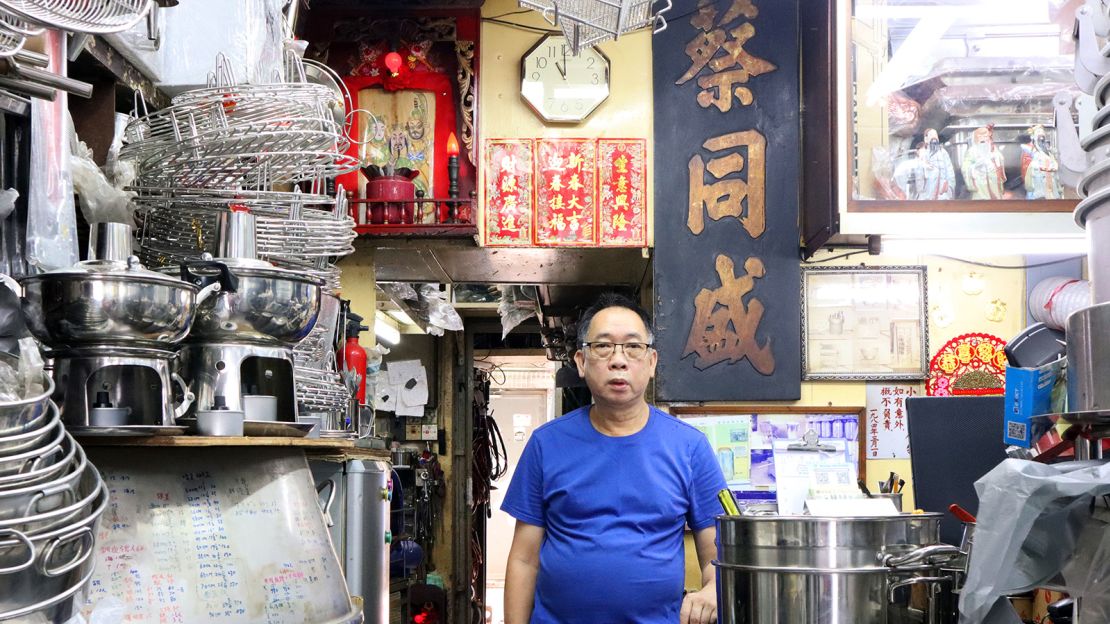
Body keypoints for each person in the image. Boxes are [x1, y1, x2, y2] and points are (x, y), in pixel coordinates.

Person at [501, 293, 727, 624]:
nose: (618, 360)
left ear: (651, 363)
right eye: (603, 346)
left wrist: (712, 589)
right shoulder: (545, 445)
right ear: (580, 361)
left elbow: (716, 556)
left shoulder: (690, 447)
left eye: (633, 347)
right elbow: (524, 560)